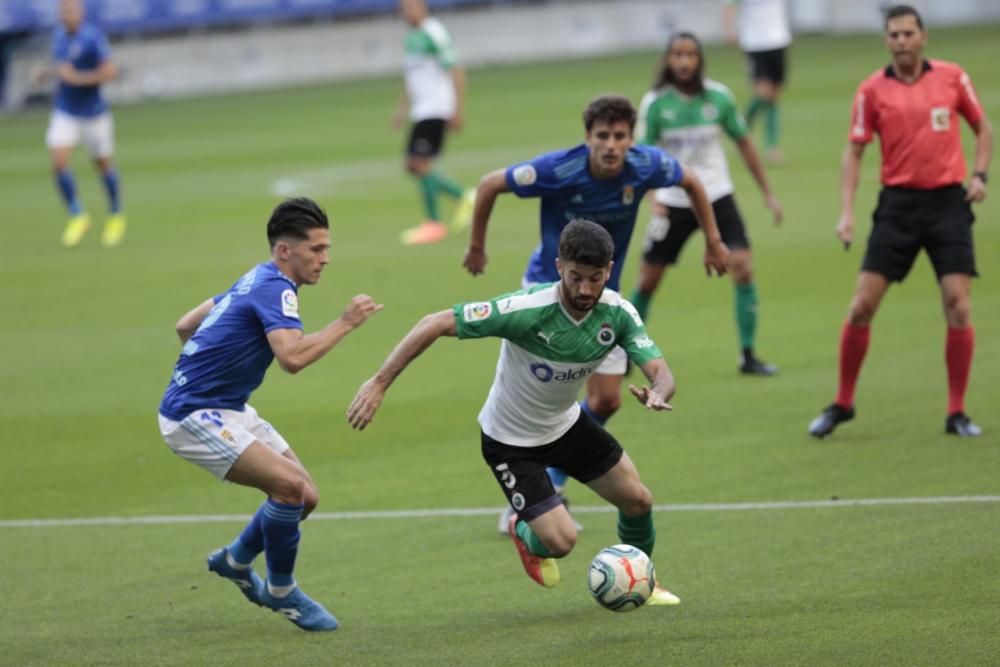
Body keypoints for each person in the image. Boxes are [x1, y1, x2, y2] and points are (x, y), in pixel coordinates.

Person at [349, 220, 682, 606]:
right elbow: (434, 322)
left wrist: (659, 393)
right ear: (559, 267)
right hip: (510, 442)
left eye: (595, 278)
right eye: (576, 277)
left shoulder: (619, 314)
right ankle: (521, 530)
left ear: (609, 271)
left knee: (638, 500)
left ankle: (644, 579)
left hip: (566, 426)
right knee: (561, 542)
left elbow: (662, 372)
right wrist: (379, 382)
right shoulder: (527, 310)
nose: (586, 289)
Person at [462, 94, 729, 533]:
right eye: (601, 136)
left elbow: (693, 181)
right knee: (542, 401)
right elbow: (491, 183)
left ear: (630, 138)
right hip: (547, 297)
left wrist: (714, 240)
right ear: (587, 138)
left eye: (619, 136)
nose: (610, 144)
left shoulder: (645, 166)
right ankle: (531, 491)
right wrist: (476, 246)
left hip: (602, 296)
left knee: (606, 398)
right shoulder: (558, 169)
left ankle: (553, 476)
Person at [157, 198, 383, 631]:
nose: (325, 259)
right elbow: (292, 358)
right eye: (316, 249)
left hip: (226, 406)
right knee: (289, 486)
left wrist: (210, 366)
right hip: (192, 414)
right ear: (285, 251)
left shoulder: (255, 279)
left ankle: (236, 560)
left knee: (305, 497)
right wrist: (346, 322)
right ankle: (282, 592)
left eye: (326, 248)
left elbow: (186, 326)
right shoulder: (275, 287)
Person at [808, 5, 992, 439]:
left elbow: (982, 128)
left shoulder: (952, 77)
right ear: (886, 40)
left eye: (908, 33)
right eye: (894, 35)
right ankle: (843, 402)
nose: (901, 41)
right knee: (861, 306)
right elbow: (854, 151)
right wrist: (847, 213)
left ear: (923, 36)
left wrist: (980, 175)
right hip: (898, 206)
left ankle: (957, 412)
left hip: (948, 204)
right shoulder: (872, 90)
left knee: (958, 304)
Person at [631, 32, 783, 376]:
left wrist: (768, 194)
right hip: (672, 200)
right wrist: (653, 199)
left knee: (742, 265)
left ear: (700, 59)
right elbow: (641, 158)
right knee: (648, 279)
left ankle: (748, 354)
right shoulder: (656, 103)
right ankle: (624, 353)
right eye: (677, 55)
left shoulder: (719, 97)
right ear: (668, 61)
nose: (684, 62)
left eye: (690, 55)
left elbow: (744, 144)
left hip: (716, 195)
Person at [44, 0, 126, 248]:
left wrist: (77, 78)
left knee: (102, 165)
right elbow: (62, 68)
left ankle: (115, 215)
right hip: (66, 110)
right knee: (58, 162)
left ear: (80, 12)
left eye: (70, 10)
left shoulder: (92, 38)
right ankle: (77, 214)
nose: (66, 15)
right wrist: (45, 73)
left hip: (93, 112)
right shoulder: (58, 36)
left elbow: (110, 72)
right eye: (62, 11)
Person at [394, 0, 475, 246]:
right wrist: (402, 108)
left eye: (411, 6)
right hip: (421, 110)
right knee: (414, 164)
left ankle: (436, 220)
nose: (406, 12)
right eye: (403, 8)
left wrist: (457, 109)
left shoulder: (434, 33)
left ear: (422, 7)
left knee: (418, 162)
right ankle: (461, 199)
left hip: (436, 107)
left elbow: (456, 70)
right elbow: (413, 79)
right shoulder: (411, 39)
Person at [722, 0, 792, 163]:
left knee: (773, 96)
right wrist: (728, 29)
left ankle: (771, 147)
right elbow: (729, 5)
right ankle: (739, 131)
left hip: (778, 39)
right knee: (763, 93)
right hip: (755, 42)